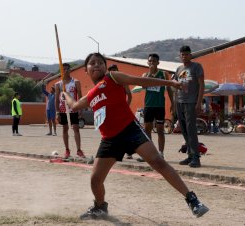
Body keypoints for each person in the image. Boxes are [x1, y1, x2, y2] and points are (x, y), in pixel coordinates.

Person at [62, 52, 209, 219]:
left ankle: (192, 200)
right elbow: (74, 106)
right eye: (92, 63)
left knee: (158, 162)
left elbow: (140, 81)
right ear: (86, 71)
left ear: (105, 66)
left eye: (100, 62)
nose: (96, 65)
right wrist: (64, 93)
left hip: (130, 131)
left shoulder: (112, 77)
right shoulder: (90, 95)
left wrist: (170, 82)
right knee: (95, 180)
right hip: (110, 139)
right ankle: (100, 207)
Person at [137, 53, 173, 162]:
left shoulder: (163, 74)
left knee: (160, 130)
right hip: (148, 106)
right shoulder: (145, 75)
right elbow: (143, 85)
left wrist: (173, 103)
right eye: (150, 61)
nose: (152, 63)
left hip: (159, 106)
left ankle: (161, 153)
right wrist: (149, 75)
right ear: (148, 62)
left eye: (154, 61)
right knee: (147, 130)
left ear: (158, 62)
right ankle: (149, 154)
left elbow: (169, 89)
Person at [174, 46, 205, 168]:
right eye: (182, 54)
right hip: (179, 103)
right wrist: (174, 102)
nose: (184, 56)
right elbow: (176, 87)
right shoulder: (178, 69)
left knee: (191, 130)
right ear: (179, 56)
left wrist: (199, 102)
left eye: (186, 54)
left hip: (191, 102)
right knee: (184, 130)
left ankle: (196, 157)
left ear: (190, 55)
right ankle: (190, 155)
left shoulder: (196, 67)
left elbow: (201, 85)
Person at [55, 63, 85, 159]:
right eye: (63, 69)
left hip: (74, 107)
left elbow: (80, 96)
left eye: (67, 69)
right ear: (61, 71)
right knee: (65, 129)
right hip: (63, 109)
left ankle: (79, 150)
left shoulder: (76, 82)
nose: (65, 71)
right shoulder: (58, 84)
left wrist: (80, 108)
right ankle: (67, 150)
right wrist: (57, 112)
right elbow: (56, 99)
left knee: (76, 128)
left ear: (70, 70)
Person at [108, 64, 134, 159]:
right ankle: (116, 151)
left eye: (115, 70)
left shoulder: (123, 82)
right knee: (113, 132)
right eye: (112, 71)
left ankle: (129, 152)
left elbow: (129, 95)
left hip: (122, 110)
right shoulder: (108, 83)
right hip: (111, 111)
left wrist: (126, 107)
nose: (114, 72)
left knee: (125, 131)